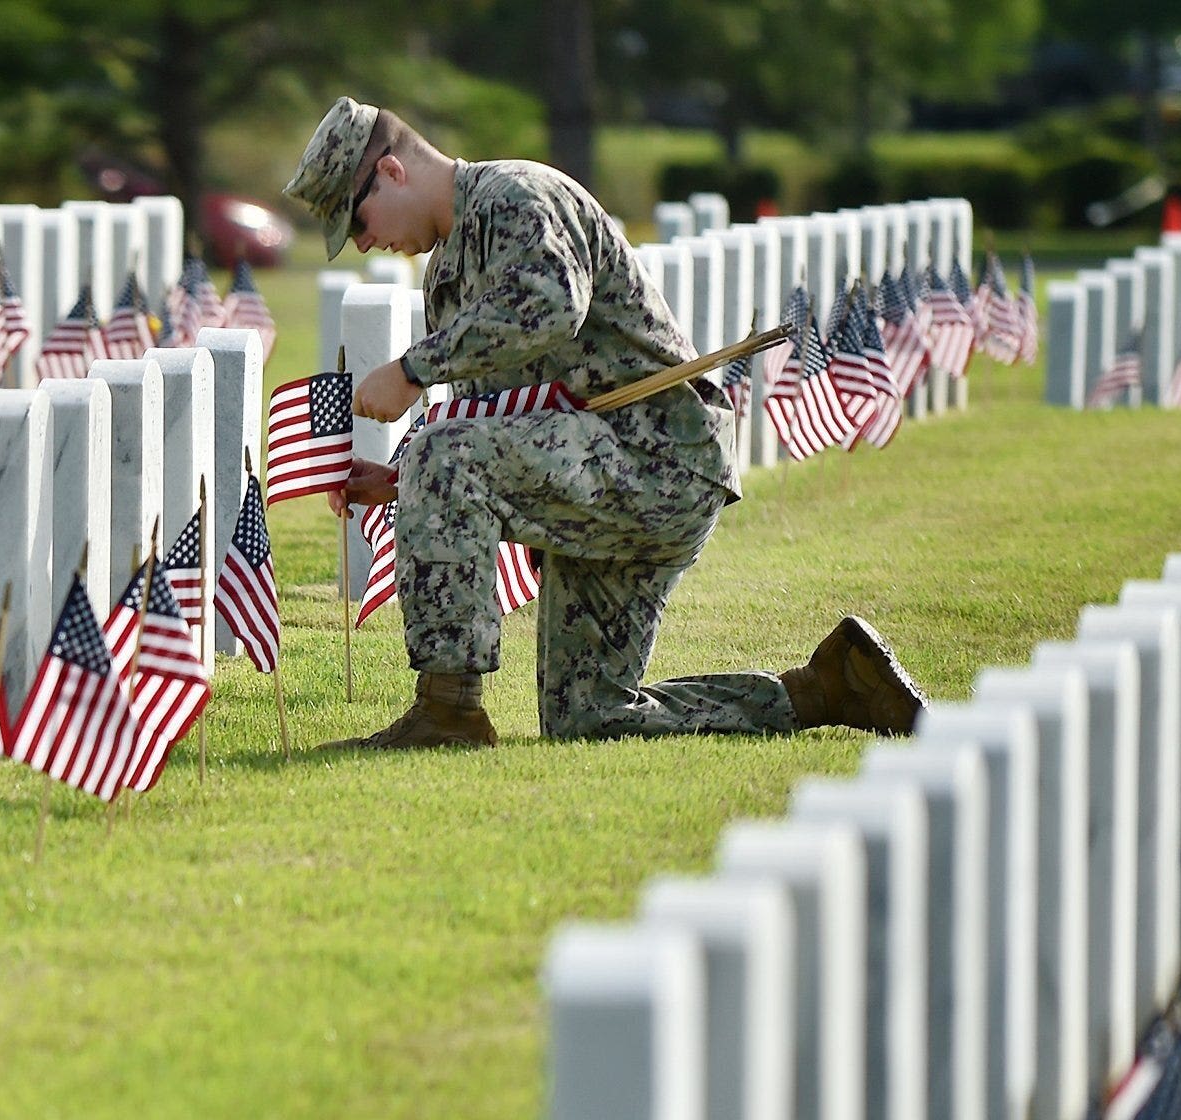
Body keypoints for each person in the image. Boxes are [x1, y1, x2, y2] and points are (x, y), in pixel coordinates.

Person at [283, 97, 927, 748]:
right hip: (602, 473)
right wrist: (401, 479)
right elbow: (500, 417)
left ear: (391, 172)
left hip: (658, 458)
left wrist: (413, 370)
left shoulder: (518, 197)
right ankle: (826, 688)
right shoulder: (448, 272)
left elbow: (552, 304)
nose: (363, 243)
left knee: (444, 458)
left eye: (357, 220)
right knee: (589, 717)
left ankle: (447, 710)